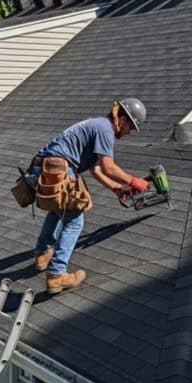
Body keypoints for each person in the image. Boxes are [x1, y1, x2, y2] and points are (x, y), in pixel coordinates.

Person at [28, 98, 151, 294]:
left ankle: (43, 253)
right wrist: (133, 180)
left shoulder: (97, 125)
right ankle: (56, 274)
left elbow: (96, 169)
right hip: (57, 167)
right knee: (75, 220)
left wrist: (117, 189)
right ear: (123, 120)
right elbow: (108, 166)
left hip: (42, 167)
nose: (128, 133)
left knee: (59, 210)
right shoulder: (105, 129)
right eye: (131, 128)